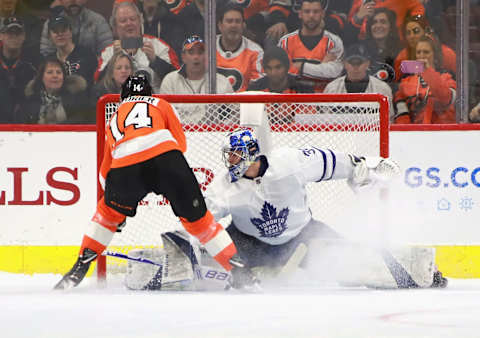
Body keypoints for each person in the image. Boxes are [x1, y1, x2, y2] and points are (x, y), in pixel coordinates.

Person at [54, 75, 256, 290]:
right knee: (200, 223)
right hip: (167, 158)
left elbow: (105, 172)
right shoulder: (161, 104)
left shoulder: (114, 117)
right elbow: (180, 145)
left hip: (126, 165)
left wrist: (115, 209)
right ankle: (240, 272)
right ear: (150, 93)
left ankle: (80, 266)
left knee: (106, 216)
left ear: (123, 96)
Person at [201, 128, 448, 289]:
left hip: (304, 238)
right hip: (248, 243)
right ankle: (168, 270)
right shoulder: (223, 188)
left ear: (251, 153)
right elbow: (202, 221)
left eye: (235, 155)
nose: (230, 161)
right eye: (229, 156)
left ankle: (419, 273)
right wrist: (202, 248)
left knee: (354, 262)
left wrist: (364, 166)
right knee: (206, 266)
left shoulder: (290, 163)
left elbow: (334, 163)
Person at [95, 1, 179, 89]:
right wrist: (112, 62)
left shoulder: (160, 46)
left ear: (140, 21)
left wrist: (155, 61)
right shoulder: (108, 52)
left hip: (154, 100)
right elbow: (98, 85)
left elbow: (177, 81)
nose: (129, 23)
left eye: (133, 19)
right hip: (119, 101)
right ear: (115, 27)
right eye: (123, 21)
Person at [159, 35, 234, 123]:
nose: (196, 57)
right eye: (191, 52)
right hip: (180, 133)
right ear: (183, 57)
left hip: (213, 134)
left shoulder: (222, 82)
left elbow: (234, 114)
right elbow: (164, 115)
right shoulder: (170, 81)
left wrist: (220, 130)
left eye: (200, 52)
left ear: (207, 56)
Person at [278, 0, 344, 92]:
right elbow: (281, 72)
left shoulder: (334, 41)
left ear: (323, 14)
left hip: (324, 99)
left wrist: (301, 66)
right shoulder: (285, 41)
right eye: (307, 11)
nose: (311, 16)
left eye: (316, 12)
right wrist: (320, 68)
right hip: (293, 99)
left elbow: (335, 72)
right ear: (300, 14)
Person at [394, 36, 456, 124]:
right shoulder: (405, 83)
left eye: (426, 52)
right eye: (418, 52)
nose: (422, 56)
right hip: (414, 134)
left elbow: (445, 98)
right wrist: (409, 133)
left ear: (435, 55)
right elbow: (401, 114)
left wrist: (427, 71)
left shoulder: (448, 79)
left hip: (442, 132)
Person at [323, 43, 394, 120]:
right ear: (345, 64)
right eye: (352, 62)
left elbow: (389, 120)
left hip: (372, 132)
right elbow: (325, 120)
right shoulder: (332, 88)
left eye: (359, 62)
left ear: (367, 63)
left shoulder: (382, 89)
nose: (355, 67)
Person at [19, 57, 93, 124]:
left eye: (59, 72)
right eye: (50, 72)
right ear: (41, 77)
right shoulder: (30, 102)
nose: (55, 76)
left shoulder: (77, 100)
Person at [216, 3, 264, 92]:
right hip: (210, 104)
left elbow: (258, 89)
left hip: (242, 105)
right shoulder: (208, 47)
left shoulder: (256, 52)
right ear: (220, 25)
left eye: (237, 21)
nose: (234, 25)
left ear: (243, 25)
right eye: (229, 21)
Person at [40, 0, 114, 57]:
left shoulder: (98, 21)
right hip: (60, 71)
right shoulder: (51, 23)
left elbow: (108, 54)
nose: (73, 0)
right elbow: (45, 54)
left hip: (92, 71)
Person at [394, 15, 456, 82]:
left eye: (416, 31)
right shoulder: (403, 55)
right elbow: (396, 80)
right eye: (408, 33)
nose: (411, 36)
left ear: (426, 32)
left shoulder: (447, 53)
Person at [0, 16, 38, 121]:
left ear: (24, 37)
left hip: (24, 124)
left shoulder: (34, 62)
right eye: (9, 33)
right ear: (1, 36)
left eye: (18, 33)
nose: (14, 37)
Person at [46, 15, 98, 89]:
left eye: (63, 30)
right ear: (49, 36)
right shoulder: (48, 60)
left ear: (71, 32)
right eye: (55, 31)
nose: (60, 34)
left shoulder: (86, 55)